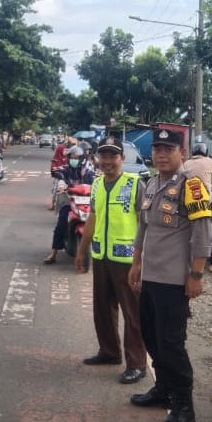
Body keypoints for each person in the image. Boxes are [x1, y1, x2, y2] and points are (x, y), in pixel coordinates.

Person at [128, 127, 212, 422]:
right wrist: (136, 262)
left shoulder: (191, 186)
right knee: (151, 338)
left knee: (172, 344)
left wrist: (197, 274)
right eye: (157, 149)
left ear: (182, 154)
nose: (161, 154)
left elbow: (203, 232)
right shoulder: (150, 183)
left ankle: (184, 407)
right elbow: (143, 226)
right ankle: (162, 389)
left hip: (174, 281)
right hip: (150, 277)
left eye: (168, 149)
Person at [76, 138, 147, 384]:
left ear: (121, 159)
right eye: (103, 155)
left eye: (112, 156)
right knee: (103, 310)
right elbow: (92, 219)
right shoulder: (96, 184)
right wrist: (81, 251)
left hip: (127, 260)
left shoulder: (135, 183)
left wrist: (141, 260)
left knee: (133, 314)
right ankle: (109, 352)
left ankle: (137, 364)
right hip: (102, 256)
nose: (107, 161)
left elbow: (144, 223)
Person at [45, 145, 93, 264]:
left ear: (82, 158)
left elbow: (96, 181)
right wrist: (61, 185)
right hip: (69, 201)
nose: (74, 159)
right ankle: (54, 253)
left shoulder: (88, 171)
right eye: (72, 157)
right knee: (62, 221)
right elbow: (59, 175)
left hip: (86, 203)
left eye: (77, 157)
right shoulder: (65, 169)